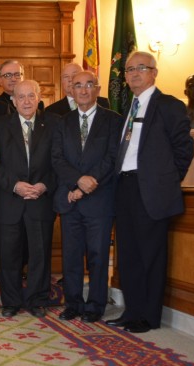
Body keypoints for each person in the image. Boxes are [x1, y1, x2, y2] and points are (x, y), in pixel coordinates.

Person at [108, 51, 194, 333]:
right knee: (129, 255)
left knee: (150, 256)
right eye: (130, 69)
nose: (133, 74)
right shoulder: (128, 107)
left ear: (154, 72)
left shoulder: (168, 106)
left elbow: (183, 150)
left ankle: (148, 316)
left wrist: (165, 182)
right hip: (125, 188)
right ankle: (131, 311)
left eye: (141, 68)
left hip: (152, 192)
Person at [51, 71, 122, 323]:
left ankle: (95, 305)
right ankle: (73, 304)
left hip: (99, 200)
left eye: (88, 85)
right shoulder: (62, 121)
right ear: (71, 89)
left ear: (98, 89)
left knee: (98, 257)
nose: (83, 90)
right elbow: (57, 158)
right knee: (71, 257)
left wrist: (86, 184)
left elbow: (113, 158)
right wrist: (76, 183)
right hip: (70, 200)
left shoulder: (113, 120)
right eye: (77, 85)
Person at [0, 79, 58, 319]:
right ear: (13, 100)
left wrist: (44, 185)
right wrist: (15, 186)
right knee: (9, 255)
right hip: (10, 200)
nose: (27, 101)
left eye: (31, 96)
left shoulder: (52, 124)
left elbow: (58, 161)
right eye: (21, 97)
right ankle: (10, 301)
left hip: (41, 200)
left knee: (40, 254)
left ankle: (37, 299)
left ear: (39, 98)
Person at [46, 63, 110, 116]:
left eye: (75, 75)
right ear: (61, 81)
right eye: (66, 76)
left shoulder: (103, 103)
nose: (70, 79)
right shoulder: (51, 110)